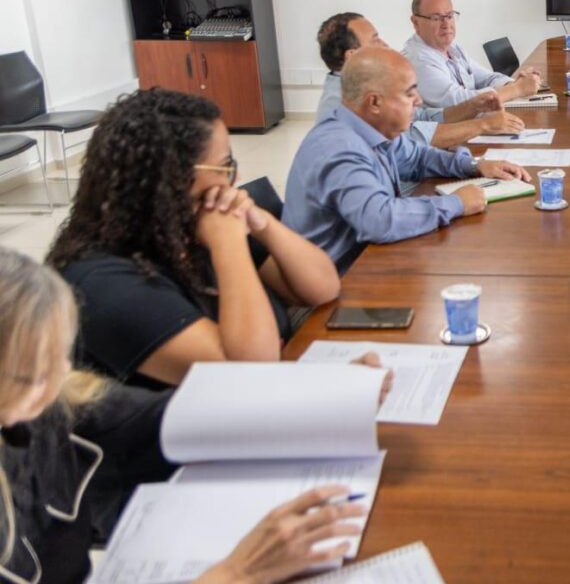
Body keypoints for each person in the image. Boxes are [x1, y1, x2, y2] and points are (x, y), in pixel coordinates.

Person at [0, 247, 375, 583]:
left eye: (60, 360)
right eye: (32, 373)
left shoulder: (56, 401)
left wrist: (322, 395)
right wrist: (236, 574)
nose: (56, 382)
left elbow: (164, 415)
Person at [48, 90, 339, 390]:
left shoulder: (188, 229)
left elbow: (323, 287)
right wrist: (229, 243)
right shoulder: (103, 281)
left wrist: (260, 222)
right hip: (175, 431)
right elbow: (250, 372)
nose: (234, 178)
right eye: (225, 166)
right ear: (172, 177)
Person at [283, 46, 530, 272]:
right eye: (410, 92)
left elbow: (417, 158)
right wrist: (456, 204)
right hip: (339, 278)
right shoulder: (339, 147)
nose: (419, 100)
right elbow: (379, 220)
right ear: (375, 102)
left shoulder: (372, 127)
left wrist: (474, 166)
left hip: (367, 259)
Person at [316, 12, 524, 195]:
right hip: (403, 196)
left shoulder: (365, 84)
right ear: (353, 57)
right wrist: (481, 126)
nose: (386, 45)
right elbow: (412, 142)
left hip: (407, 190)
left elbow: (417, 129)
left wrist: (471, 113)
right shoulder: (344, 107)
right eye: (376, 40)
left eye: (450, 16)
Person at [402, 0, 542, 107]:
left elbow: (487, 78)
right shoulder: (417, 60)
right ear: (415, 22)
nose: (446, 24)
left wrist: (516, 83)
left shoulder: (453, 47)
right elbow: (459, 102)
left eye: (449, 16)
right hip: (451, 134)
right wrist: (516, 89)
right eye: (436, 18)